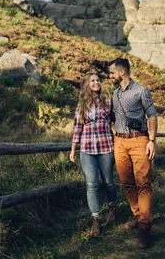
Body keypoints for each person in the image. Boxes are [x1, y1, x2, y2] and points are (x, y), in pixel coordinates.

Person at [109, 58, 158, 249]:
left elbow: (152, 115)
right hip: (119, 141)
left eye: (112, 72)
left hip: (140, 139)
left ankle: (145, 228)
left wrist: (151, 141)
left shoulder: (141, 90)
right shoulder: (115, 93)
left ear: (122, 72)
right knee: (126, 181)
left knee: (143, 181)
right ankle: (138, 215)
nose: (110, 76)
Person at [69, 73, 117, 237]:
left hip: (106, 147)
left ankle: (112, 207)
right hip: (87, 148)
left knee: (109, 182)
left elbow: (116, 121)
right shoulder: (82, 104)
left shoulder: (109, 103)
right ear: (87, 85)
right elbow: (77, 128)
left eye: (98, 80)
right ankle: (95, 218)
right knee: (91, 184)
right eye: (92, 81)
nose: (96, 82)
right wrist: (73, 149)